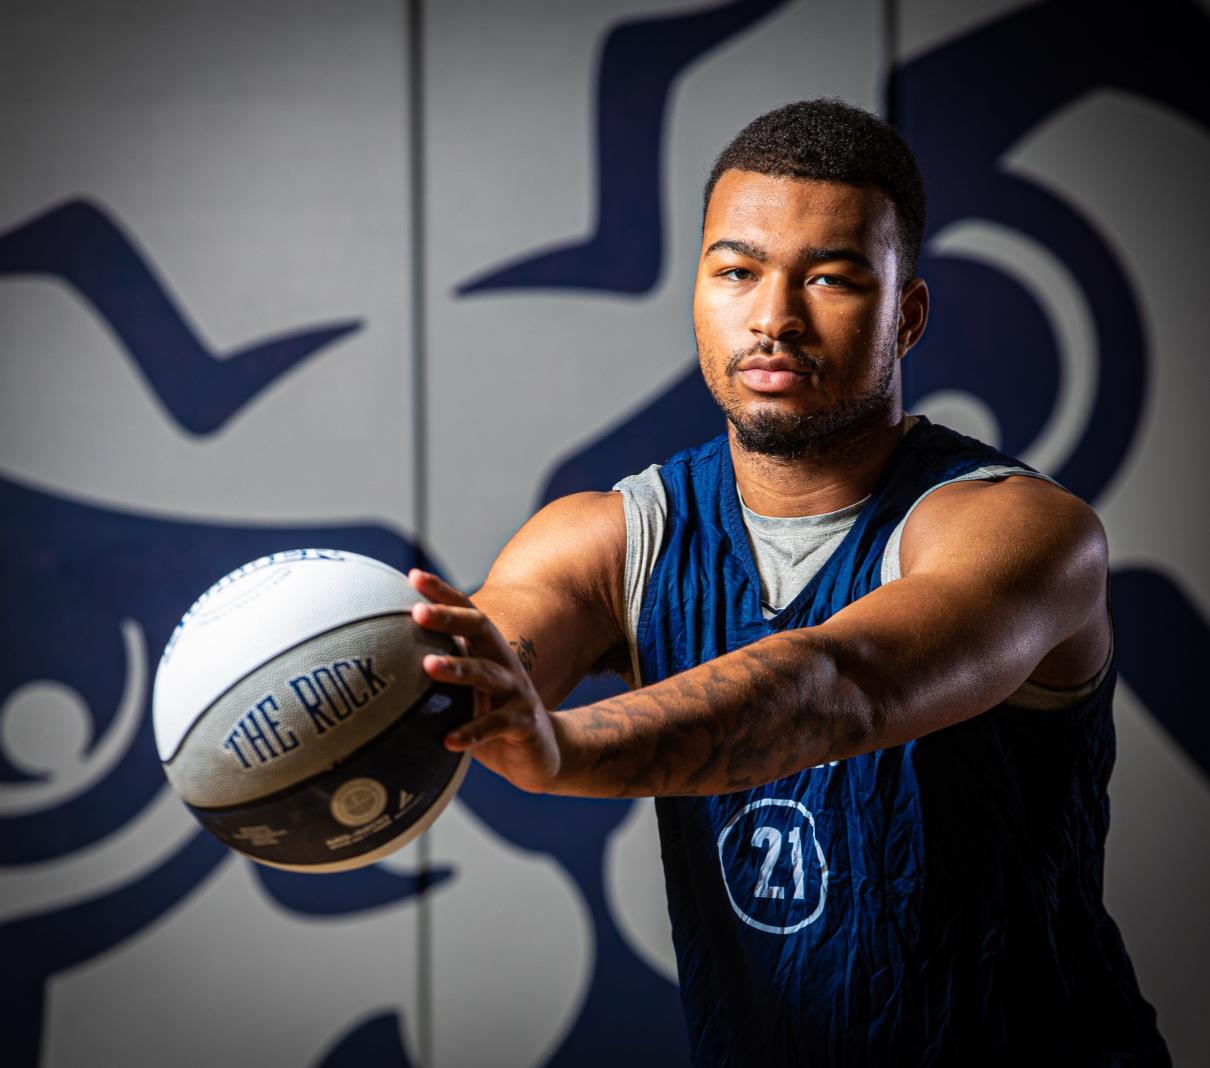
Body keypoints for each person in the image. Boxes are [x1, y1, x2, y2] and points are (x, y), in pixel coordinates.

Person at [408, 100, 1170, 1065]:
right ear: (696, 291)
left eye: (831, 278)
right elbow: (486, 656)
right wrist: (414, 694)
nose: (773, 317)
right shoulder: (611, 538)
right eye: (736, 272)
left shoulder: (1022, 534)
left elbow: (841, 686)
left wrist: (560, 748)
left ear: (908, 315)